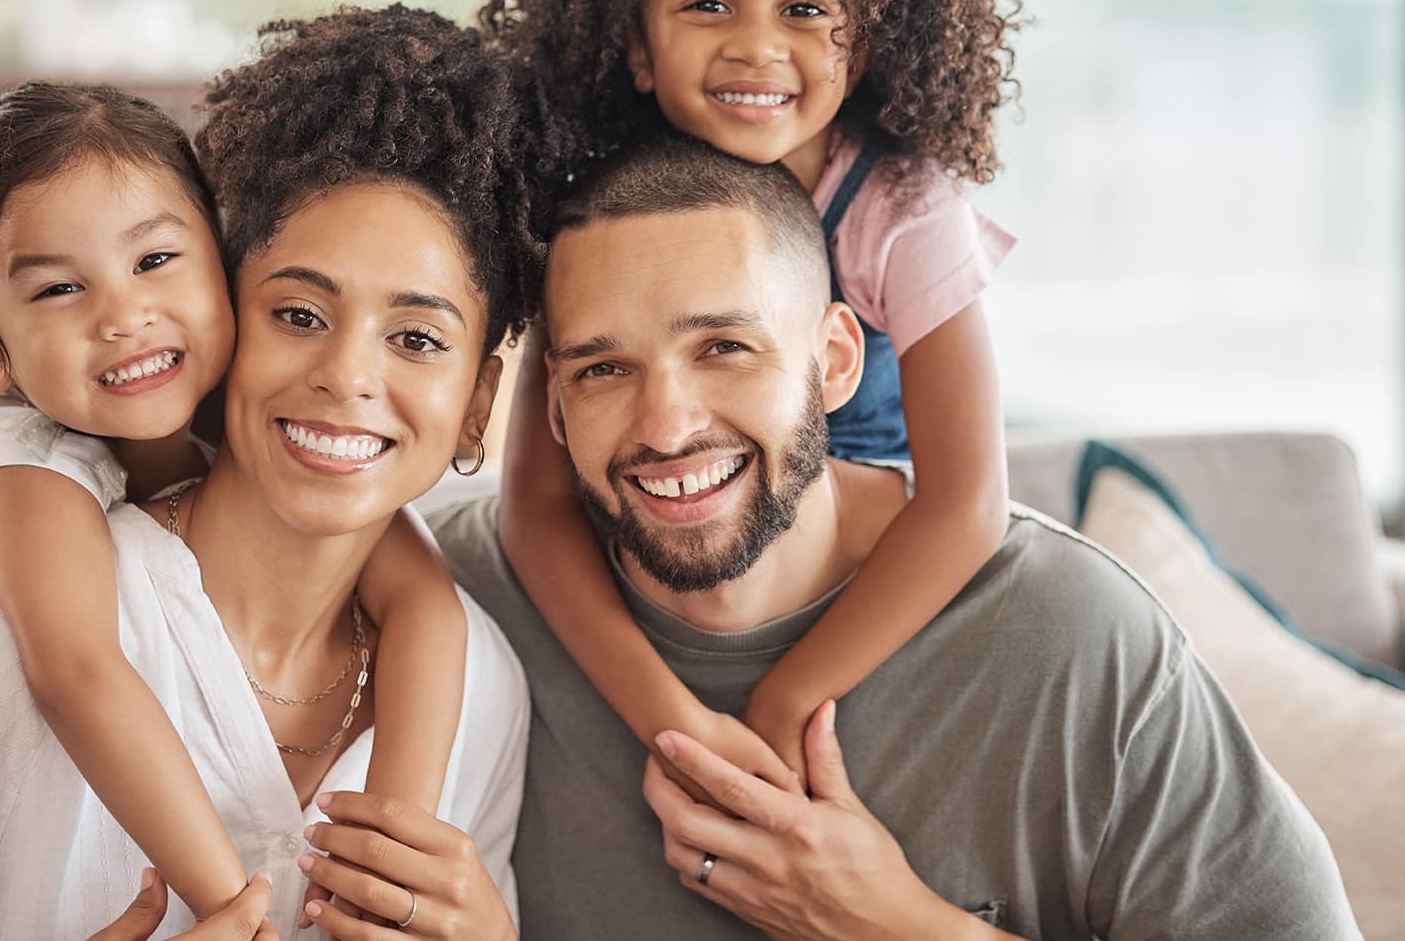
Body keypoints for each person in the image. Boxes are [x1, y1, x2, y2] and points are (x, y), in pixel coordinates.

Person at [0, 8, 542, 940]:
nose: (348, 376)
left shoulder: (483, 689)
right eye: (298, 314)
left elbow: (416, 591)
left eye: (418, 339)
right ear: (229, 310)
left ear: (476, 403)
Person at [432, 136, 1361, 940]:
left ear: (834, 362)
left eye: (725, 348)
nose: (667, 426)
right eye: (603, 368)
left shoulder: (1076, 639)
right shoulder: (451, 603)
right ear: (551, 407)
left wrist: (897, 927)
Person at [478, 0, 1022, 788]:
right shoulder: (595, 216)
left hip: (859, 591)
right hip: (669, 587)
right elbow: (536, 508)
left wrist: (781, 701)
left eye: (805, 9)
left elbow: (970, 503)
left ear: (866, 40)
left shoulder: (902, 204)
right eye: (708, 5)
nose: (757, 47)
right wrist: (670, 718)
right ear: (637, 46)